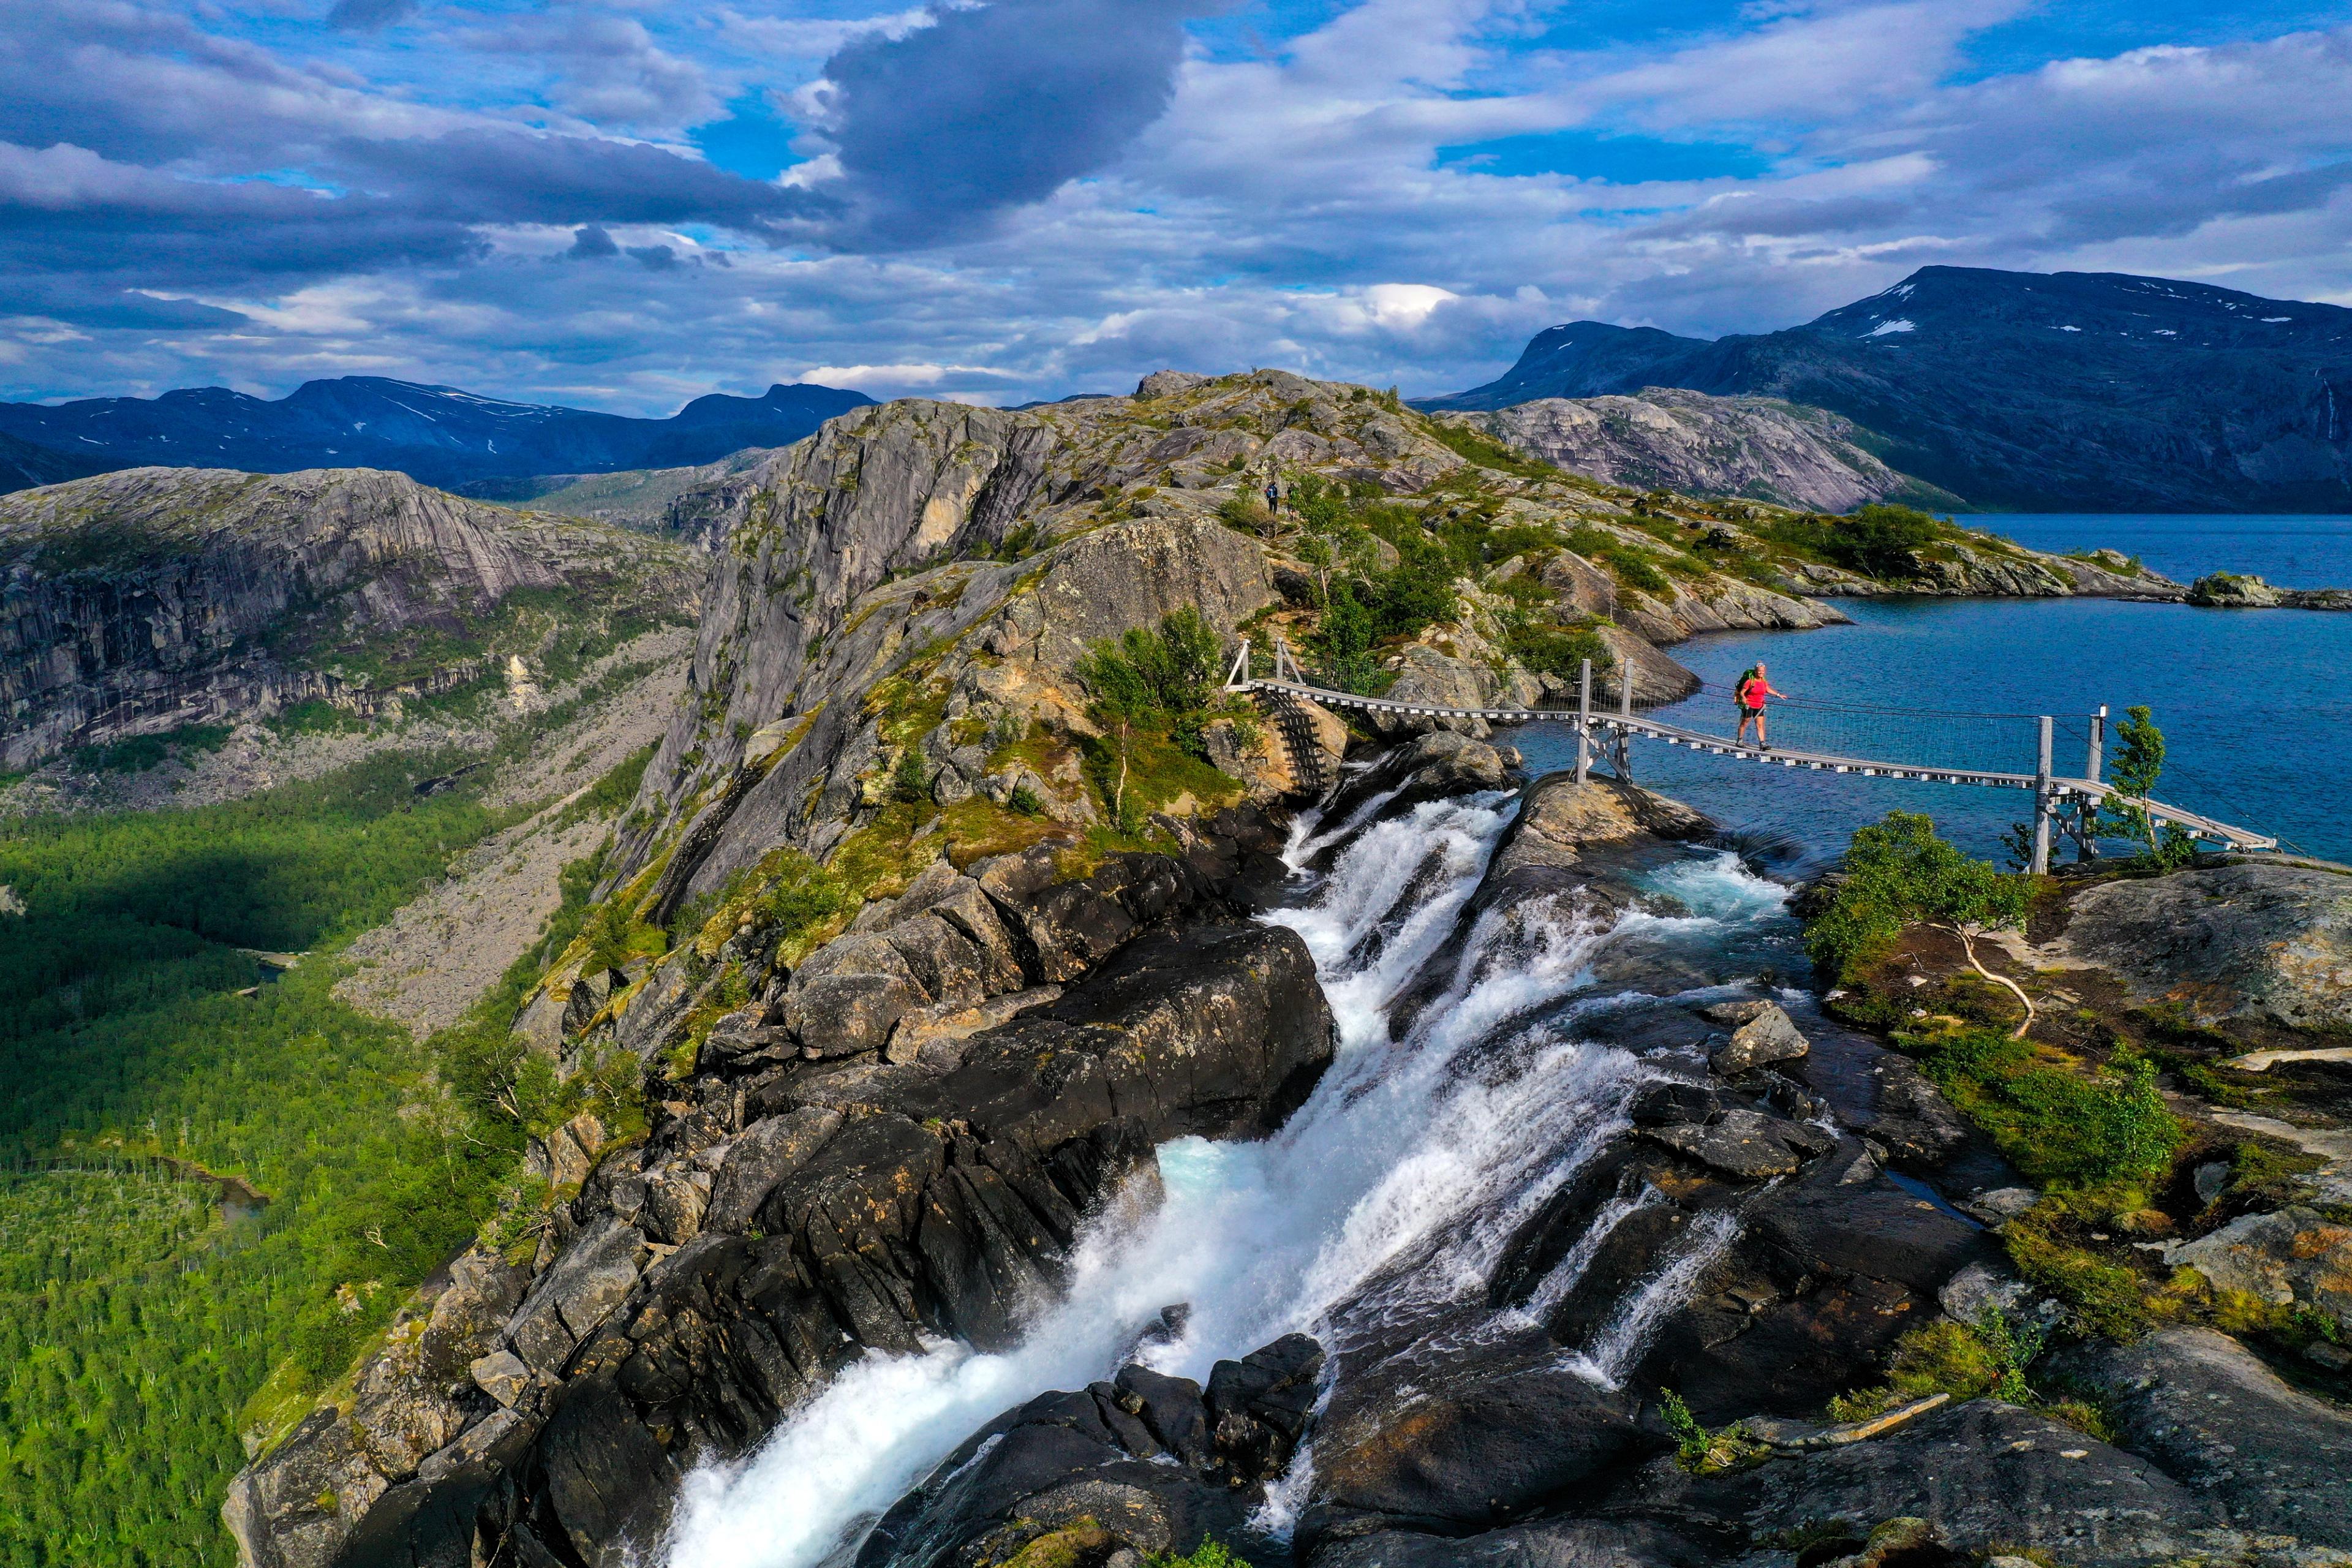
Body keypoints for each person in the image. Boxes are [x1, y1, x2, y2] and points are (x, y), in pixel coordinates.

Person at [1735, 663, 1785, 749]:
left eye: (1762, 671)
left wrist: (1778, 695)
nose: (1761, 673)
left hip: (1760, 706)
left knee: (1760, 725)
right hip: (1749, 705)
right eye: (1759, 671)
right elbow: (1742, 692)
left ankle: (1762, 743)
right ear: (1755, 671)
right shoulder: (1750, 681)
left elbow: (1768, 690)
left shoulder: (1763, 681)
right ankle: (1740, 740)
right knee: (1745, 723)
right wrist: (1743, 698)